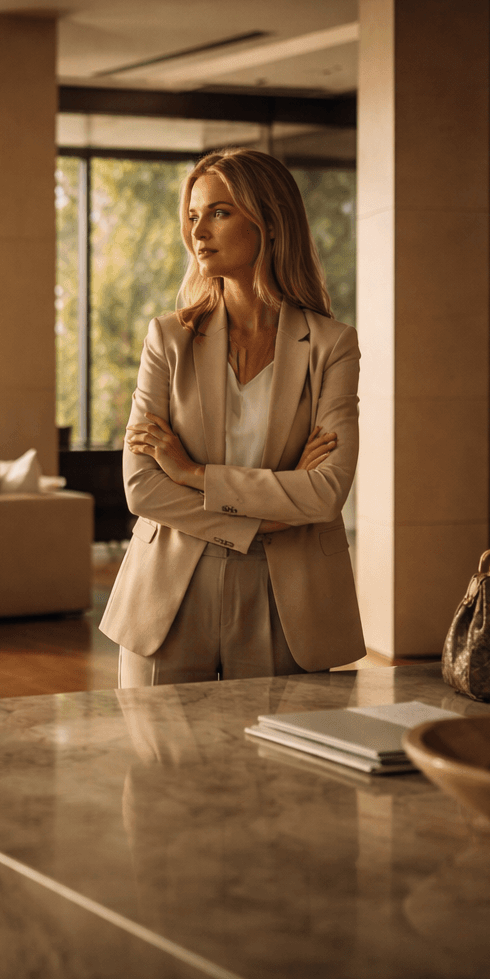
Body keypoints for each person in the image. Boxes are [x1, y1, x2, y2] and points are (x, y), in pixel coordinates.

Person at [99, 148, 365, 687]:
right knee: (157, 745)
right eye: (193, 216)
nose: (198, 232)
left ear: (270, 221)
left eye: (219, 213)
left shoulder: (332, 345)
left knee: (277, 746)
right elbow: (142, 489)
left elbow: (325, 492)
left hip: (288, 597)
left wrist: (193, 473)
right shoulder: (167, 339)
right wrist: (270, 516)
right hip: (168, 591)